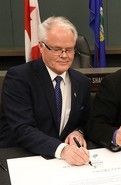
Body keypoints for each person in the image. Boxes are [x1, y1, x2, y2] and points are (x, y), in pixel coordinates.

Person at [0, 16, 91, 166]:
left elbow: (86, 120)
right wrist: (62, 150)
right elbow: (22, 128)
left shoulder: (82, 82)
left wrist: (78, 132)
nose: (64, 55)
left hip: (62, 163)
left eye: (69, 50)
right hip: (21, 158)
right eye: (56, 49)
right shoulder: (19, 78)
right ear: (41, 46)